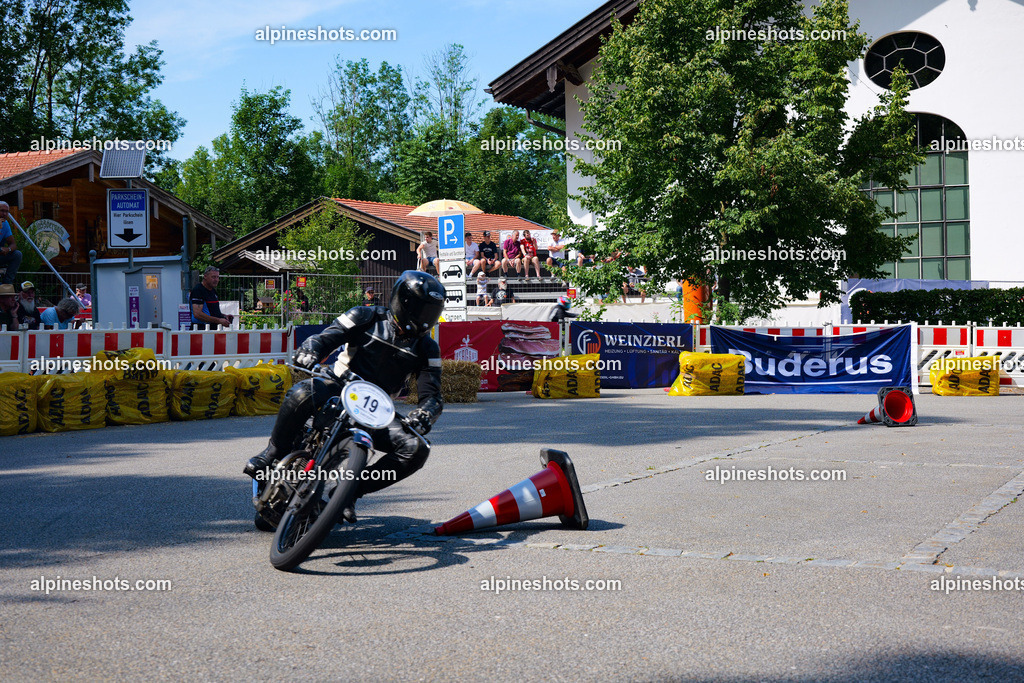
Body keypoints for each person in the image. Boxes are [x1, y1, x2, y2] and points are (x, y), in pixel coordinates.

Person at [243, 270, 446, 523]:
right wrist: (310, 349)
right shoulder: (365, 316)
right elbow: (325, 337)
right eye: (421, 310)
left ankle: (349, 491)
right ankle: (271, 453)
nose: (425, 319)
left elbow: (433, 395)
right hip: (338, 387)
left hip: (376, 410)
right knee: (302, 392)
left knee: (416, 448)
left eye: (431, 312)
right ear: (402, 302)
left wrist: (426, 413)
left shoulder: (427, 347)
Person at [0, 201, 24, 285]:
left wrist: (8, 249)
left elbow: (13, 244)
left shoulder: (5, 224)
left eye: (7, 212)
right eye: (2, 211)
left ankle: (7, 284)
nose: (5, 214)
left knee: (17, 254)